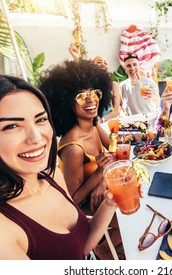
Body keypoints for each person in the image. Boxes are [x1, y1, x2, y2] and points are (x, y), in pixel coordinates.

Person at [0, 74, 117, 260]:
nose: (36, 138)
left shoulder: (51, 176)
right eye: (11, 126)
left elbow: (79, 249)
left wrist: (109, 204)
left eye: (40, 120)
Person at [38, 59, 123, 259]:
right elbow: (73, 199)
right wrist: (101, 173)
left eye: (94, 93)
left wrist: (102, 181)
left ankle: (104, 245)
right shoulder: (73, 148)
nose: (91, 100)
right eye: (81, 96)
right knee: (132, 213)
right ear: (65, 101)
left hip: (103, 193)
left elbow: (115, 151)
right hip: (87, 207)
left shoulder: (93, 125)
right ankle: (101, 249)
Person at [91, 55, 121, 122]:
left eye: (105, 63)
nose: (103, 64)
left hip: (106, 122)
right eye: (99, 62)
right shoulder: (88, 84)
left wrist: (101, 120)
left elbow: (116, 111)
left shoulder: (114, 85)